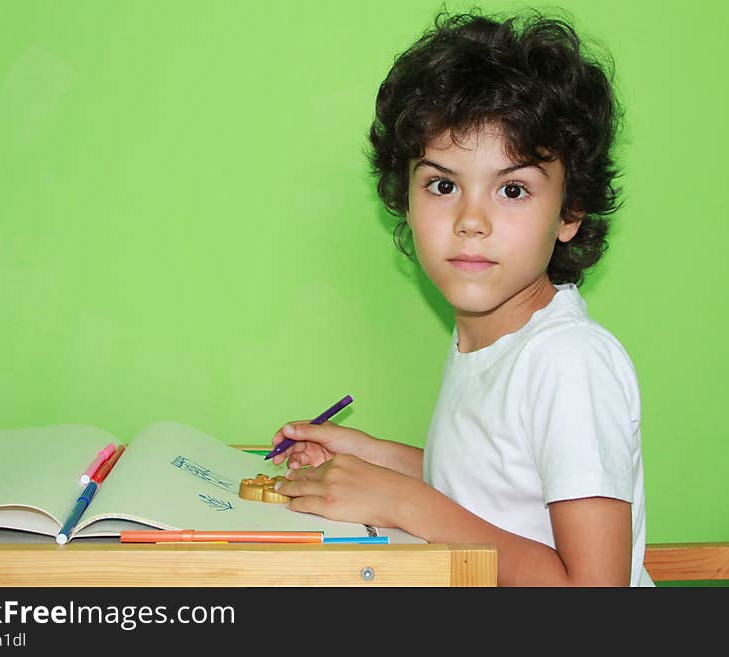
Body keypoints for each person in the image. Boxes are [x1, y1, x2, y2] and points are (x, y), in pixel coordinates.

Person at [270, 7, 654, 587]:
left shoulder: (568, 362)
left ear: (570, 211)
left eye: (513, 189)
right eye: (444, 185)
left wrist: (403, 502)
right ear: (405, 197)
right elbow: (494, 494)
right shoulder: (490, 338)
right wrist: (374, 459)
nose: (471, 219)